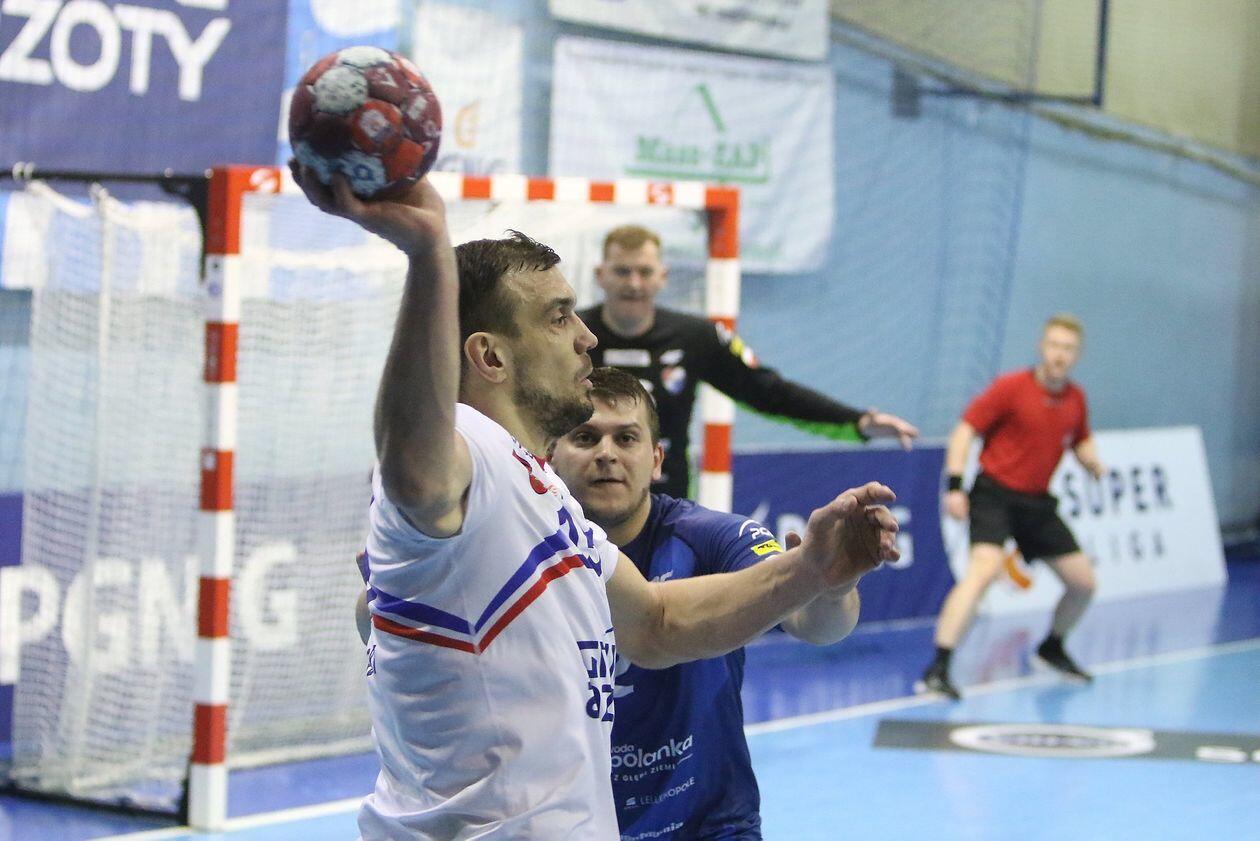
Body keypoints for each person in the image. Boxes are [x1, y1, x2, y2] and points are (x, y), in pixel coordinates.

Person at [292, 165, 902, 840]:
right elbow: (414, 462)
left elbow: (658, 623)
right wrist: (429, 255)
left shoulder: (545, 493)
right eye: (559, 317)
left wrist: (811, 570)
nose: (586, 336)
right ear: (489, 357)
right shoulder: (469, 452)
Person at [549, 367, 866, 840]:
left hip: (712, 827)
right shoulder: (526, 554)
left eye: (627, 438)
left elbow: (813, 623)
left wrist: (831, 585)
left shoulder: (711, 538)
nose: (606, 454)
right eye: (586, 437)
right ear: (549, 456)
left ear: (656, 459)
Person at [579, 224, 920, 497]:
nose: (634, 283)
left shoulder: (695, 337)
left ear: (662, 276)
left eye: (644, 272)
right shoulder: (571, 335)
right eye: (622, 271)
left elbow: (769, 392)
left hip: (664, 502)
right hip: (579, 503)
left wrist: (858, 421)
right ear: (600, 274)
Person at [918, 313, 1103, 701]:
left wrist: (1091, 460)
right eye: (1054, 345)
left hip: (1037, 503)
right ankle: (938, 667)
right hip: (994, 495)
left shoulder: (1076, 398)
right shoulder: (1011, 388)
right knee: (983, 572)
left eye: (1068, 348)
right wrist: (955, 486)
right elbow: (965, 430)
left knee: (1083, 584)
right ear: (1041, 347)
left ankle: (1051, 647)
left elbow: (1079, 438)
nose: (1059, 354)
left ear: (1078, 355)